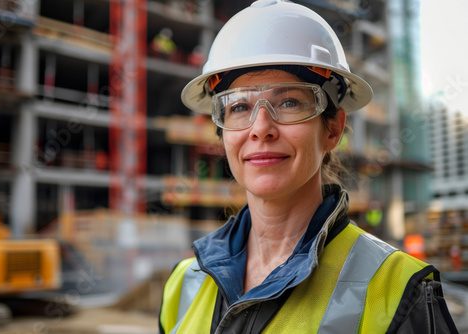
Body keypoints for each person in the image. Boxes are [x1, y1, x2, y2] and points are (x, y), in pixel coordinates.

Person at [159, 0, 458, 333]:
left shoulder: (400, 291)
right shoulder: (183, 285)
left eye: (289, 102)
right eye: (240, 106)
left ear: (332, 130)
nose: (260, 128)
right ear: (223, 134)